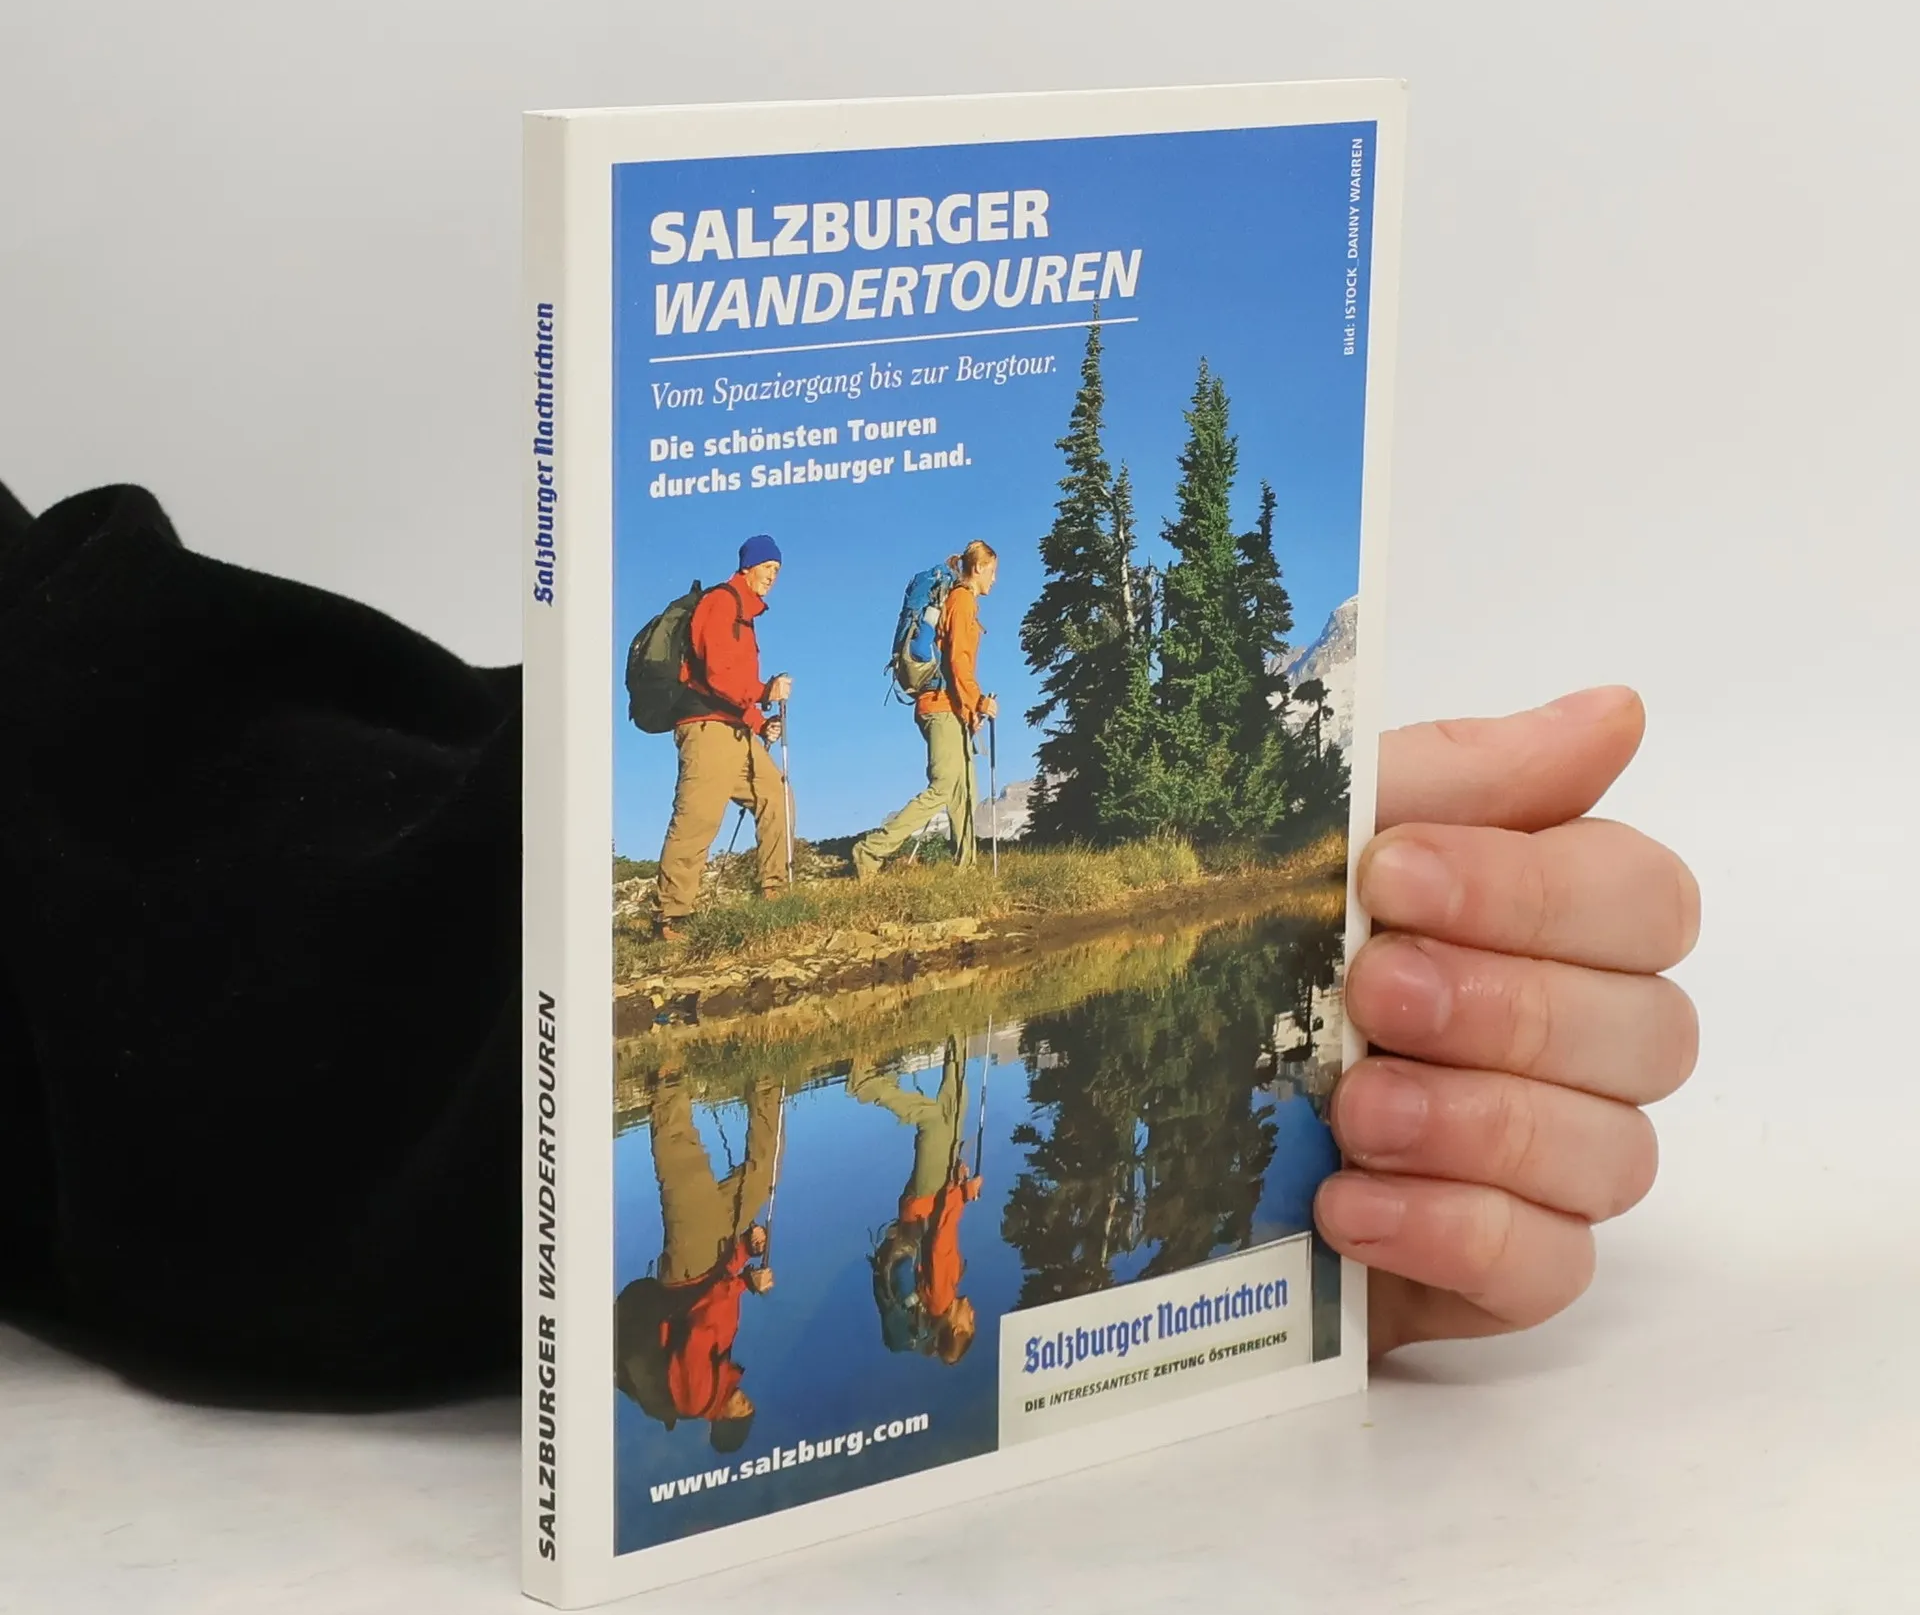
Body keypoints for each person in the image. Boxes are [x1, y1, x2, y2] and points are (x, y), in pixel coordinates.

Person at [0, 479, 1699, 1393]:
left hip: (582, 978)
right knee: (851, 826)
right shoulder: (800, 615)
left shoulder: (838, 611)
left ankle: (838, 954)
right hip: (704, 805)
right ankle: (794, 949)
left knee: (853, 846)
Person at [613, 1074, 781, 1454]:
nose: (746, 1403)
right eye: (749, 1407)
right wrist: (745, 1250)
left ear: (722, 1420)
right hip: (717, 1257)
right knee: (763, 1178)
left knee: (685, 1171)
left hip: (690, 1267)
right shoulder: (723, 1372)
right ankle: (768, 1080)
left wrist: (747, 1284)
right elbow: (719, 1291)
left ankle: (668, 1085)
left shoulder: (697, 1398)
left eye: (741, 1412)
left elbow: (699, 1324)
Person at [653, 533, 794, 941]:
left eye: (777, 569)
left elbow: (734, 686)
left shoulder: (744, 616)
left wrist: (758, 722)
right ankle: (670, 917)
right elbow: (717, 676)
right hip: (705, 727)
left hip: (734, 728)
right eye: (767, 567)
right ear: (748, 566)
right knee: (698, 819)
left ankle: (774, 891)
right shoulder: (721, 603)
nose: (773, 575)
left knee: (776, 795)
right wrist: (765, 692)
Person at [852, 539, 999, 879]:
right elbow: (958, 661)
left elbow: (954, 662)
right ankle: (870, 851)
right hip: (941, 705)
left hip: (949, 706)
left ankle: (966, 870)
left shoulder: (960, 601)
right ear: (978, 568)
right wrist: (978, 701)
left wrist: (969, 710)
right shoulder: (962, 600)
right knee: (944, 786)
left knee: (965, 791)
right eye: (992, 571)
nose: (994, 579)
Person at [850, 1040, 982, 1364]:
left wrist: (965, 1193)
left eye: (970, 1323)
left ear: (956, 1328)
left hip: (926, 1200)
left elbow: (941, 1236)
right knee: (955, 1110)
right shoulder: (940, 1298)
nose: (974, 1315)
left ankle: (866, 1086)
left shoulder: (941, 1297)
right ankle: (957, 1036)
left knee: (934, 1121)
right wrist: (958, 1183)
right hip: (930, 1200)